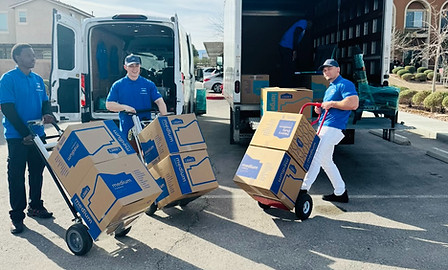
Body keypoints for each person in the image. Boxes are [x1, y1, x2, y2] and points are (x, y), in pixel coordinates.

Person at [0, 43, 55, 234]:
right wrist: (25, 133)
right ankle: (17, 216)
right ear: (17, 58)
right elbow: (7, 108)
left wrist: (48, 114)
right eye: (29, 55)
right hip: (18, 137)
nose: (33, 58)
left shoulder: (38, 80)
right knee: (16, 176)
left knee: (36, 173)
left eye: (34, 55)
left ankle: (36, 206)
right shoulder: (8, 79)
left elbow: (45, 103)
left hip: (38, 135)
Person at [300, 59, 359, 203]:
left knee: (315, 155)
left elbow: (353, 104)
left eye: (329, 68)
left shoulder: (345, 84)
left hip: (333, 127)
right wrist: (320, 108)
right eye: (324, 70)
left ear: (338, 69)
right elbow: (332, 107)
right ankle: (341, 192)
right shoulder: (330, 88)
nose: (326, 71)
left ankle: (302, 189)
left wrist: (331, 103)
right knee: (326, 161)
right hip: (325, 125)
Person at [106, 54, 168, 137]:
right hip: (127, 128)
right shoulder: (118, 85)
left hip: (145, 125)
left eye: (137, 65)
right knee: (131, 148)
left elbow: (159, 101)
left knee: (147, 148)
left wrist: (164, 119)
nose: (134, 68)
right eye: (131, 66)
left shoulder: (148, 84)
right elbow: (109, 105)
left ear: (140, 66)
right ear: (125, 67)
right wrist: (125, 107)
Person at [279, 19, 307, 87]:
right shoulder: (303, 22)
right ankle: (287, 86)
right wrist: (294, 50)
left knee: (288, 67)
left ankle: (287, 84)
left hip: (285, 46)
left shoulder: (300, 25)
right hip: (287, 46)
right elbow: (296, 33)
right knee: (289, 68)